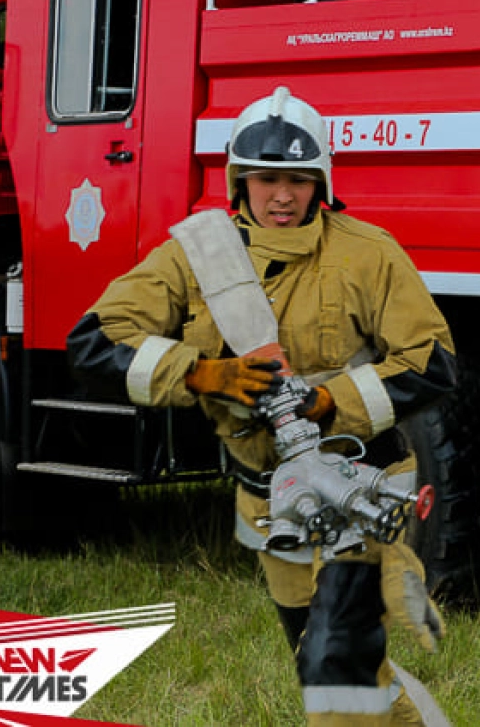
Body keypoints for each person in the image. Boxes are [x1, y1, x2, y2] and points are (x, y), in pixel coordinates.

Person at [67, 86, 457, 726]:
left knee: (335, 665)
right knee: (333, 669)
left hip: (362, 487)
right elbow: (94, 341)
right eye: (265, 179)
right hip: (268, 499)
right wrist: (201, 374)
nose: (282, 195)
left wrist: (332, 400)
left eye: (299, 180)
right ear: (237, 182)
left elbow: (434, 362)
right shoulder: (196, 257)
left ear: (322, 182)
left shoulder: (367, 252)